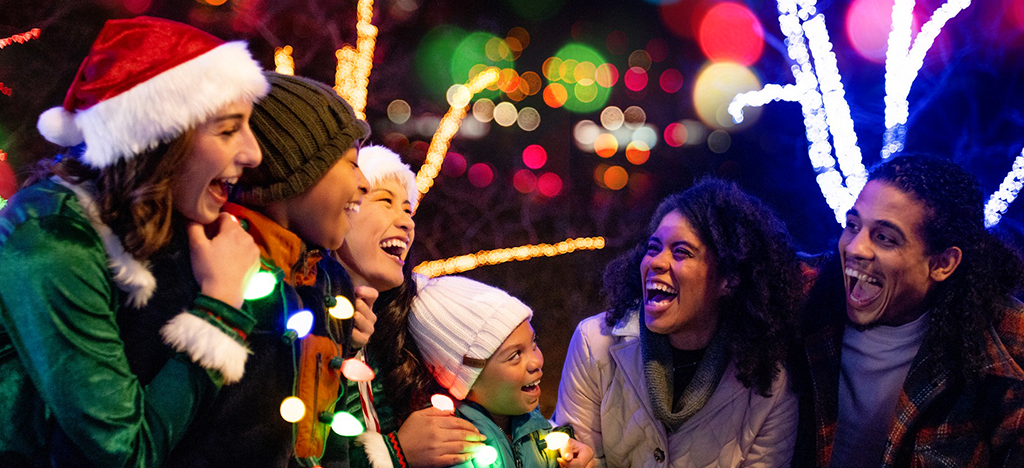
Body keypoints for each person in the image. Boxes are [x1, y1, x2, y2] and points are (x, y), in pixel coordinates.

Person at [0, 16, 268, 468]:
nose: (253, 152)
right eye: (227, 129)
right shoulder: (52, 241)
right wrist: (219, 312)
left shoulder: (135, 232)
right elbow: (124, 454)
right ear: (154, 139)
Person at [130, 72, 377, 468]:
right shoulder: (193, 265)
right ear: (291, 173)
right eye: (351, 163)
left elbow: (331, 437)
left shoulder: (332, 284)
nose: (364, 184)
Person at [791, 155, 1024, 468]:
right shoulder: (797, 294)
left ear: (943, 263)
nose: (854, 247)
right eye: (853, 225)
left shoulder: (1014, 344)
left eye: (884, 237)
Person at [555, 178, 803, 468]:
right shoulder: (593, 343)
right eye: (653, 248)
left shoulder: (769, 385)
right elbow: (577, 458)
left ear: (730, 279)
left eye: (682, 252)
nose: (656, 262)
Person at [331, 145, 487, 468]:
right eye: (386, 201)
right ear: (341, 208)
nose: (406, 223)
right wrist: (395, 453)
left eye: (408, 210)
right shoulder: (299, 318)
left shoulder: (413, 322)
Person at [409, 275, 596, 468]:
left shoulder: (539, 435)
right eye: (515, 355)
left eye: (533, 343)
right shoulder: (455, 453)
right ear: (467, 380)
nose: (536, 361)